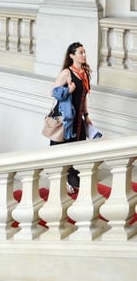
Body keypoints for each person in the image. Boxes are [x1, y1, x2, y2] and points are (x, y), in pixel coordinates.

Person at [50, 42, 94, 190]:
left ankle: (73, 181)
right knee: (62, 150)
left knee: (78, 149)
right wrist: (68, 90)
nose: (84, 55)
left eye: (84, 52)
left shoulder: (84, 73)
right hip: (65, 118)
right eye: (80, 52)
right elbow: (53, 92)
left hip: (78, 119)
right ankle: (61, 182)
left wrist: (86, 115)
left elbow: (84, 97)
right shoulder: (66, 73)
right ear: (72, 56)